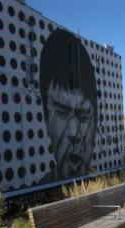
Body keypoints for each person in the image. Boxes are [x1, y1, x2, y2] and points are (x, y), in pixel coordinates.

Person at [39, 29, 97, 183]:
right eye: (62, 112)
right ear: (46, 120)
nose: (74, 133)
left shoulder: (100, 179)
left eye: (83, 115)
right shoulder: (41, 189)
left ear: (96, 124)